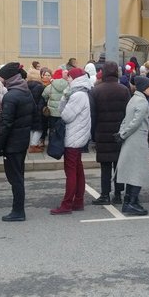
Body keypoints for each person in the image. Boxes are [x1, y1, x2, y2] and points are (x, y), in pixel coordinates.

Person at [51, 68, 92, 215]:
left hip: (73, 137)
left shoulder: (77, 95)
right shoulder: (82, 92)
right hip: (78, 135)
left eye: (68, 78)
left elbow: (65, 115)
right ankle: (78, 201)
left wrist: (64, 97)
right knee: (78, 170)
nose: (67, 80)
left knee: (71, 172)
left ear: (74, 79)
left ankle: (67, 204)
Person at [0, 62, 35, 221]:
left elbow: (6, 123)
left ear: (9, 79)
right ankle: (18, 209)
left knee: (15, 178)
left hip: (12, 143)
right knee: (19, 175)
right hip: (22, 140)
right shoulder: (25, 91)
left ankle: (18, 211)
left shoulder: (11, 96)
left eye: (3, 78)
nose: (2, 81)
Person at [90, 61, 131, 205]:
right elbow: (128, 112)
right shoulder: (124, 90)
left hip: (102, 132)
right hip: (120, 133)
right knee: (118, 165)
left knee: (105, 166)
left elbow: (93, 114)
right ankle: (118, 194)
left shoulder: (96, 90)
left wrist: (93, 134)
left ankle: (105, 194)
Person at [115, 76, 149, 215]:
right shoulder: (142, 102)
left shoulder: (133, 99)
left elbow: (126, 119)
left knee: (132, 171)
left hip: (131, 140)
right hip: (138, 140)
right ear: (144, 88)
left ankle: (130, 201)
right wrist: (123, 134)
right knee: (138, 172)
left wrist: (121, 133)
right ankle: (131, 203)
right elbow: (136, 122)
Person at [26, 68, 45, 153]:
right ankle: (33, 145)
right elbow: (38, 99)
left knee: (32, 128)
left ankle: (32, 144)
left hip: (29, 109)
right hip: (37, 109)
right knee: (39, 128)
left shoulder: (26, 85)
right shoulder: (39, 86)